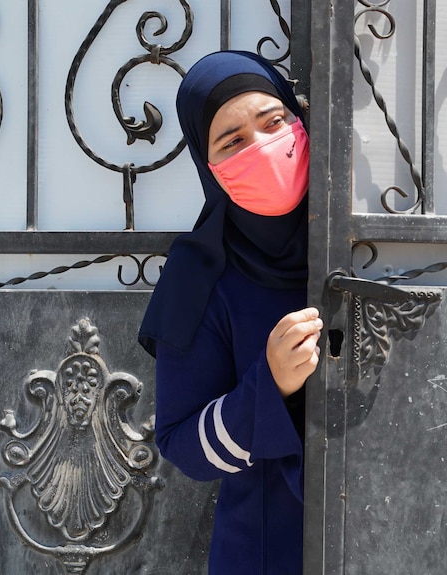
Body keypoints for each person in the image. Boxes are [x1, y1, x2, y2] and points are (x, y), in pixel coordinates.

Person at [138, 50, 321, 575]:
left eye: (274, 122)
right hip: (269, 549)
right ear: (208, 165)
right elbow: (181, 444)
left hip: (396, 526)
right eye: (233, 141)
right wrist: (271, 385)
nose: (263, 147)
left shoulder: (364, 241)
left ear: (299, 119)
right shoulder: (200, 278)